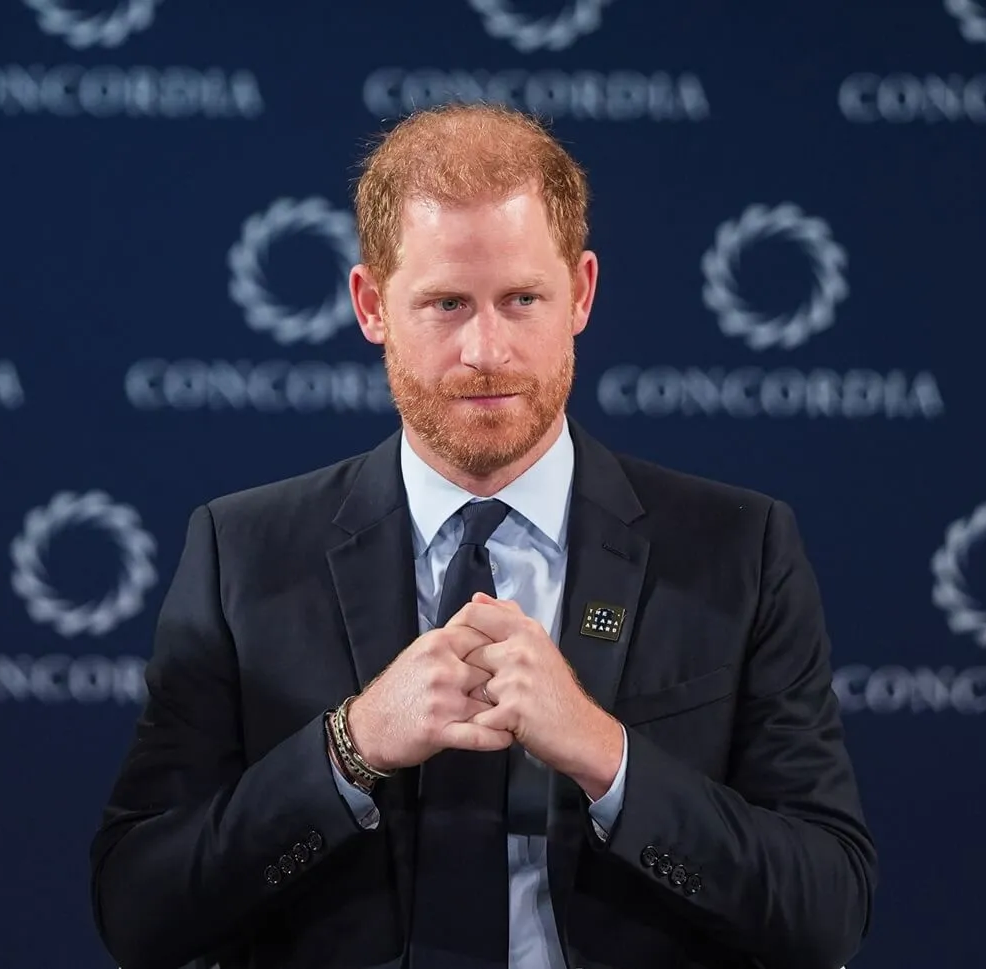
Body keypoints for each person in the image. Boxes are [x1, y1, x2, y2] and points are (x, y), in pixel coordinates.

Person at [89, 102, 877, 969]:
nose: (486, 350)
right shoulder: (241, 554)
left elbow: (824, 911)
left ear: (580, 292)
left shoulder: (738, 550)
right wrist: (348, 747)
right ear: (370, 303)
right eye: (446, 303)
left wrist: (606, 756)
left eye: (522, 299)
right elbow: (142, 909)